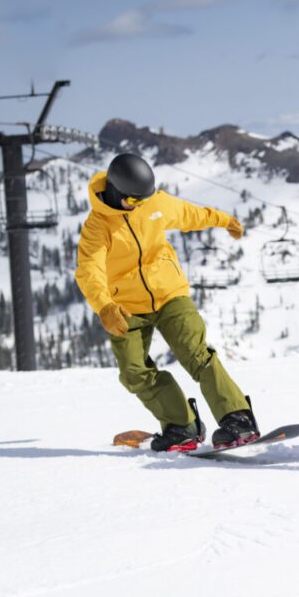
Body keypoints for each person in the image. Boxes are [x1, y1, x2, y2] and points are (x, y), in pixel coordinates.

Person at [75, 153, 257, 452]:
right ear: (115, 192)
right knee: (133, 372)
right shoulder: (97, 227)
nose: (140, 205)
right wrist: (104, 305)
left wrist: (225, 220)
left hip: (169, 292)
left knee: (196, 353)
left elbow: (190, 214)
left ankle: (237, 418)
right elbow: (89, 270)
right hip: (126, 305)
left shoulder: (154, 204)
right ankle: (181, 425)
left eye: (143, 200)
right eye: (133, 201)